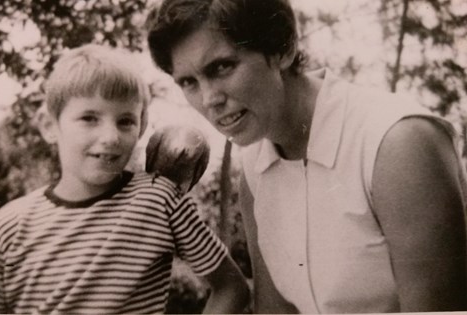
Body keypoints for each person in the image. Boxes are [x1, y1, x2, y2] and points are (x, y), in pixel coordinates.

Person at [145, 0, 467, 313]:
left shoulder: (398, 143)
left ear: (282, 49)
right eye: (189, 82)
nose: (209, 99)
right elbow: (275, 311)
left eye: (221, 67)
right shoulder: (256, 169)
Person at [0, 44, 249, 314]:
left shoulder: (159, 198)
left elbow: (232, 288)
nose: (111, 137)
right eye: (89, 118)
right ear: (49, 125)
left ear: (142, 128)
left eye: (126, 121)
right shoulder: (10, 224)